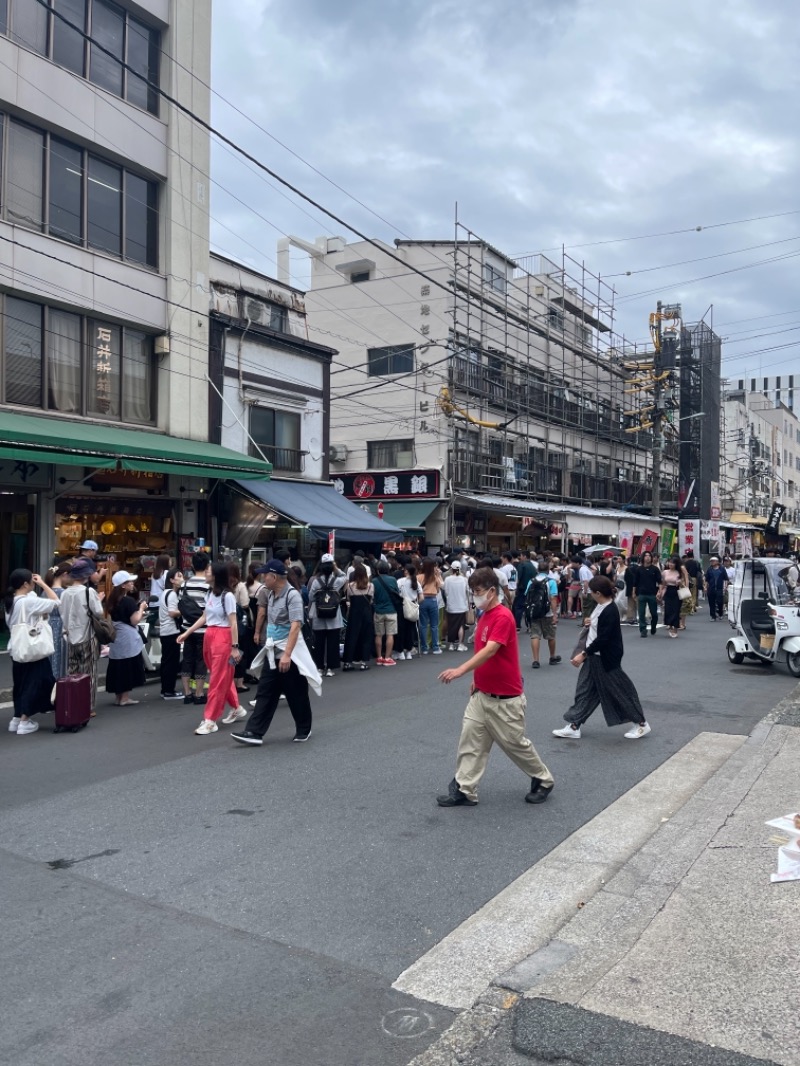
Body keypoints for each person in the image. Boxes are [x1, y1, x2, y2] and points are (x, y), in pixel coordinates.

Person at [436, 567, 554, 807]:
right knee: (470, 740)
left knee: (515, 744)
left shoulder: (502, 616)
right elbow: (484, 652)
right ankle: (465, 789)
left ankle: (543, 779)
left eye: (478, 591)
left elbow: (491, 650)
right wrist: (476, 679)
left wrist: (460, 670)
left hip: (506, 698)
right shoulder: (485, 615)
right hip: (482, 694)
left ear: (492, 591)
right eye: (473, 591)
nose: (475, 596)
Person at [553, 575, 651, 742]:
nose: (589, 593)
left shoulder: (610, 610)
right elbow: (598, 629)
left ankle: (641, 723)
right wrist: (589, 622)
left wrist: (583, 654)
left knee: (620, 691)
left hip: (605, 658)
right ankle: (574, 725)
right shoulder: (601, 606)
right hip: (595, 656)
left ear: (598, 593)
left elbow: (603, 639)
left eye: (591, 591)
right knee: (585, 691)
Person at [232, 559, 314, 746]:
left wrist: (287, 654)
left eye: (265, 575)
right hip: (272, 651)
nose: (262, 578)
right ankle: (254, 732)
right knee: (265, 692)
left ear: (274, 577)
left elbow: (295, 626)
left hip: (290, 653)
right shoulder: (270, 594)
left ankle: (304, 729)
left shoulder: (292, 596)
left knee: (296, 693)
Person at [178, 562, 242, 735]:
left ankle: (210, 719)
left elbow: (233, 623)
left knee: (216, 680)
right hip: (210, 635)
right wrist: (187, 633)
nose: (205, 573)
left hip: (223, 637)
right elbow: (204, 617)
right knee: (220, 675)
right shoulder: (210, 593)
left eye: (208, 571)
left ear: (216, 575)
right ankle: (236, 707)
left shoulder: (227, 596)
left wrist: (235, 647)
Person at [6, 569, 60, 735]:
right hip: (33, 649)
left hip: (17, 648)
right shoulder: (28, 602)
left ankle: (16, 719)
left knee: (20, 684)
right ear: (25, 584)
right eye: (32, 580)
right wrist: (43, 583)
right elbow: (56, 601)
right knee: (37, 683)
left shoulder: (10, 601)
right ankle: (25, 720)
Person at [58, 557, 105, 713]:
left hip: (70, 637)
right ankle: (87, 707)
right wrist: (99, 600)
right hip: (87, 636)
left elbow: (62, 613)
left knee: (72, 673)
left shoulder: (64, 593)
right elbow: (98, 612)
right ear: (86, 575)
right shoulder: (88, 591)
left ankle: (73, 705)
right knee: (89, 673)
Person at [104, 571, 147, 706]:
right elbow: (135, 620)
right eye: (129, 582)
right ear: (123, 585)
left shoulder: (112, 600)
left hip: (117, 635)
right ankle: (125, 698)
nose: (132, 583)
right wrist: (141, 608)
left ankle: (118, 697)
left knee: (118, 665)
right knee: (128, 666)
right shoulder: (128, 601)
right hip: (128, 635)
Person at [180, 552, 211, 705]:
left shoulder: (184, 585)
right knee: (201, 661)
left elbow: (181, 606)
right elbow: (209, 609)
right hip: (203, 629)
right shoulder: (208, 586)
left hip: (186, 628)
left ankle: (187, 693)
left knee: (187, 659)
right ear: (207, 566)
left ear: (192, 565)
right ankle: (199, 693)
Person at [307, 553, 346, 676]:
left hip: (319, 616)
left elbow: (311, 597)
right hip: (334, 617)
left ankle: (319, 667)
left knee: (319, 643)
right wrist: (336, 568)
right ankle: (330, 668)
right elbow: (344, 576)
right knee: (333, 643)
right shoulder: (337, 581)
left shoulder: (316, 581)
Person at [340, 562, 375, 670]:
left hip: (354, 613)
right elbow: (371, 600)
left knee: (351, 637)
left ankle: (347, 662)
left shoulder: (350, 586)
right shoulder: (370, 586)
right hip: (366, 613)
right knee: (366, 637)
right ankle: (364, 662)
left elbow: (348, 598)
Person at [529, 561, 562, 669]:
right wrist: (555, 614)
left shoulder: (531, 581)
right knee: (551, 636)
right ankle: (552, 657)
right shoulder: (551, 582)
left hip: (534, 612)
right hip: (548, 612)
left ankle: (535, 660)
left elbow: (527, 596)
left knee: (535, 635)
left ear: (537, 570)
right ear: (548, 570)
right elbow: (553, 598)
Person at [158, 567, 185, 700]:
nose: (182, 578)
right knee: (171, 662)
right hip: (171, 631)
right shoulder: (172, 594)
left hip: (165, 631)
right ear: (172, 580)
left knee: (166, 661)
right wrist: (185, 610)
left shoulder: (165, 593)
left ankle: (165, 689)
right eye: (179, 576)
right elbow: (172, 612)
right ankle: (169, 691)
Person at [45, 561, 72, 681]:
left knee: (49, 659)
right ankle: (59, 687)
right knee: (60, 660)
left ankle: (50, 686)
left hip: (47, 625)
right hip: (61, 626)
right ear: (64, 574)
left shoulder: (45, 592)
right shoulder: (64, 593)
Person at [371, 560, 401, 666]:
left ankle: (379, 657)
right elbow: (397, 592)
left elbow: (372, 596)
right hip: (391, 610)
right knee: (390, 634)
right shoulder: (393, 580)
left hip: (378, 610)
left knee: (378, 635)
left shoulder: (374, 581)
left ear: (378, 570)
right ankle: (387, 658)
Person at [396, 563, 422, 659]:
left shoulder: (400, 581)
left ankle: (400, 652)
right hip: (412, 606)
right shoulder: (416, 582)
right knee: (411, 630)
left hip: (402, 606)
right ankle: (409, 652)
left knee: (401, 629)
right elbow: (421, 597)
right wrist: (416, 604)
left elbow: (397, 593)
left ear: (406, 571)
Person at [633, 550, 661, 637]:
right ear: (643, 558)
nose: (648, 557)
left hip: (652, 594)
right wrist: (633, 592)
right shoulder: (639, 569)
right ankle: (643, 630)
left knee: (654, 614)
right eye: (646, 556)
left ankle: (653, 626)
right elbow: (635, 582)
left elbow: (660, 582)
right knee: (641, 613)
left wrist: (659, 592)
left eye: (649, 556)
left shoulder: (655, 569)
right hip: (641, 594)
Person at [444, 560, 470, 651]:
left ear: (452, 569)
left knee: (451, 625)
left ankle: (451, 644)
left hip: (451, 606)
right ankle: (460, 644)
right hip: (462, 606)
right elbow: (468, 592)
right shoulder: (464, 580)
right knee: (461, 625)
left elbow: (446, 592)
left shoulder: (447, 579)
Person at [419, 558, 444, 654]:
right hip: (433, 600)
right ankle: (435, 647)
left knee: (423, 625)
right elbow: (440, 587)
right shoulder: (434, 577)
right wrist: (438, 575)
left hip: (422, 600)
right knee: (434, 625)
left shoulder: (418, 577)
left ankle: (424, 648)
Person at [658, 556, 686, 639]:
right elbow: (663, 583)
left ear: (676, 564)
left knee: (676, 610)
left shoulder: (679, 572)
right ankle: (670, 625)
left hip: (677, 591)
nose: (670, 564)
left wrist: (680, 583)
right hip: (668, 591)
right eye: (670, 562)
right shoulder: (665, 572)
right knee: (668, 609)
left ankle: (675, 629)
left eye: (673, 563)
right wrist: (660, 592)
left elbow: (684, 582)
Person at [513, 550, 536, 630]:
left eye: (521, 556)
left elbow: (518, 578)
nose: (520, 557)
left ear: (525, 556)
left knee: (519, 607)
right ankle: (530, 625)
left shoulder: (522, 565)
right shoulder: (533, 566)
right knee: (528, 607)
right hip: (531, 589)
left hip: (522, 589)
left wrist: (516, 587)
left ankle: (517, 625)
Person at [704, 556, 728, 621]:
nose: (712, 562)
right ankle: (713, 616)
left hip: (719, 588)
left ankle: (720, 613)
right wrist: (705, 587)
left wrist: (725, 586)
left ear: (717, 562)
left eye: (713, 561)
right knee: (711, 602)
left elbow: (725, 578)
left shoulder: (722, 569)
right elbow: (706, 579)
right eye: (711, 561)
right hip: (711, 588)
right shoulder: (709, 569)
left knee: (720, 602)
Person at [623, 555, 639, 625]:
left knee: (630, 605)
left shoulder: (628, 568)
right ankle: (638, 617)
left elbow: (625, 578)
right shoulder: (639, 568)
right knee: (638, 605)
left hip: (629, 588)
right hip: (638, 588)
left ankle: (630, 618)